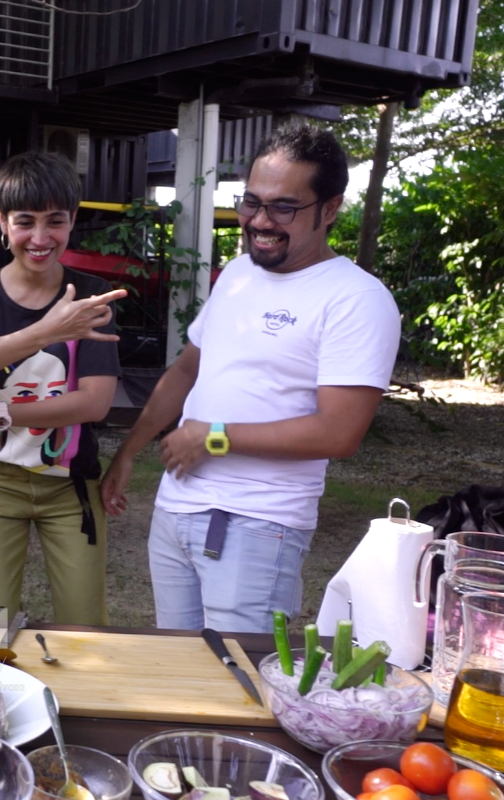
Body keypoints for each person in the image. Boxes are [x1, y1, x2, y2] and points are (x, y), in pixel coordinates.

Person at [101, 124, 401, 633]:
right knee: (177, 672)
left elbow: (339, 432)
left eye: (284, 207)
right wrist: (129, 451)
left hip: (259, 526)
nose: (260, 221)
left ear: (330, 209)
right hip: (176, 512)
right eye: (251, 202)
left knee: (239, 684)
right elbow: (187, 369)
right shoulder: (238, 274)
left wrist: (216, 437)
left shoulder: (357, 299)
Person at [0, 150, 126, 625]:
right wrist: (43, 333)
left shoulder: (89, 299)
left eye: (55, 222)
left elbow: (94, 404)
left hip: (71, 487)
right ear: (2, 221)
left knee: (85, 629)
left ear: (73, 221)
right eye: (25, 222)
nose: (40, 239)